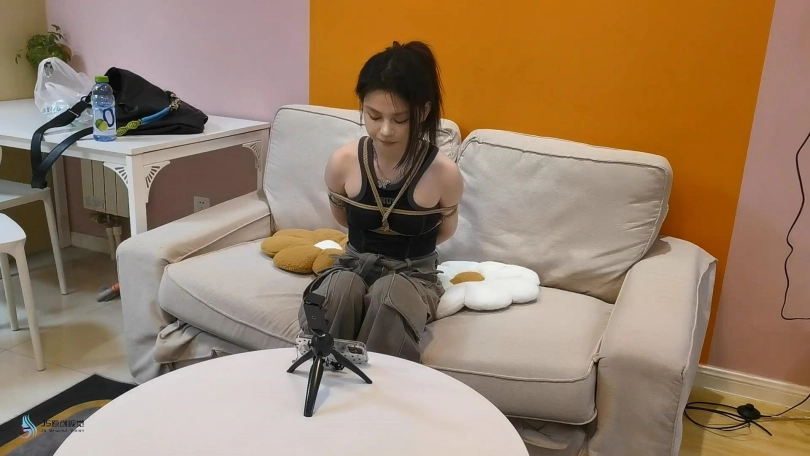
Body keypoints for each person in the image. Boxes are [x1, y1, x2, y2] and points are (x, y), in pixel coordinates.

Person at [298, 40, 463, 363]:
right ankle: (322, 373)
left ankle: (383, 387)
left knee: (390, 295)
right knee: (338, 290)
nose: (385, 130)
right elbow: (343, 219)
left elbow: (443, 233)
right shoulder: (343, 161)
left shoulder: (444, 173)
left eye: (400, 119)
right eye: (374, 116)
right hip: (353, 263)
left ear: (423, 112)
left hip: (414, 275)